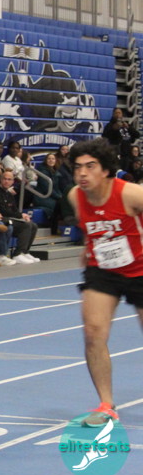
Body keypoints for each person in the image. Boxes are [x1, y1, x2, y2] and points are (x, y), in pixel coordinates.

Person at [67, 138, 143, 427]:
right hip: (103, 270)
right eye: (77, 167)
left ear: (106, 169)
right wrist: (87, 249)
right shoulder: (76, 196)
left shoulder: (131, 194)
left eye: (90, 166)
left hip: (140, 269)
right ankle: (106, 405)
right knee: (93, 332)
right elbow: (90, 226)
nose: (82, 173)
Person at [0, 169, 39, 264]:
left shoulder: (9, 194)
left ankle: (25, 252)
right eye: (5, 179)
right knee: (26, 225)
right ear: (0, 179)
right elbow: (3, 211)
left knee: (33, 225)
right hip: (1, 218)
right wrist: (20, 215)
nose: (6, 181)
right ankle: (18, 254)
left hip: (10, 218)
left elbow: (14, 210)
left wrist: (22, 216)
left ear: (12, 181)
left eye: (9, 179)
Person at [35, 152, 65, 233]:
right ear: (45, 160)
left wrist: (61, 196)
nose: (51, 160)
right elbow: (46, 188)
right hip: (43, 196)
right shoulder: (42, 170)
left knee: (63, 202)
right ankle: (54, 228)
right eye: (49, 159)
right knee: (57, 205)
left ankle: (59, 227)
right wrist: (58, 197)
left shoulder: (56, 171)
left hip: (52, 196)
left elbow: (57, 188)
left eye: (53, 159)